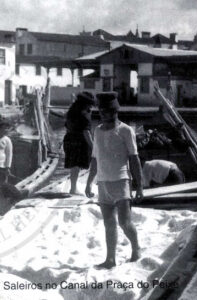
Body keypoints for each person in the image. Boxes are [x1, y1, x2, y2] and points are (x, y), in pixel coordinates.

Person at [85, 92, 144, 269]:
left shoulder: (126, 131)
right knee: (108, 224)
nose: (104, 115)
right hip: (103, 183)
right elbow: (95, 159)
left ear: (115, 111)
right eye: (101, 112)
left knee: (124, 223)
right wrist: (89, 182)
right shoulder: (97, 131)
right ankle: (110, 259)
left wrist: (139, 186)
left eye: (108, 112)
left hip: (121, 182)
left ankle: (136, 248)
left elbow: (134, 159)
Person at [63, 92, 95, 194]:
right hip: (80, 142)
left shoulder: (71, 112)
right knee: (77, 165)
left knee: (74, 165)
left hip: (69, 140)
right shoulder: (84, 116)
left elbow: (67, 127)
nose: (91, 107)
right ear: (85, 104)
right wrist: (94, 147)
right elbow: (86, 133)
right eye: (90, 104)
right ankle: (73, 189)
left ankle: (73, 187)